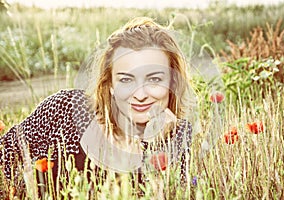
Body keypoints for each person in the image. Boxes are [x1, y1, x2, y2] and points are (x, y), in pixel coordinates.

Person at [0, 17, 197, 196]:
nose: (140, 94)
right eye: (126, 80)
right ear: (110, 84)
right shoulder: (65, 110)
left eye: (154, 79)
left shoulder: (177, 136)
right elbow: (3, 158)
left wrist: (154, 144)